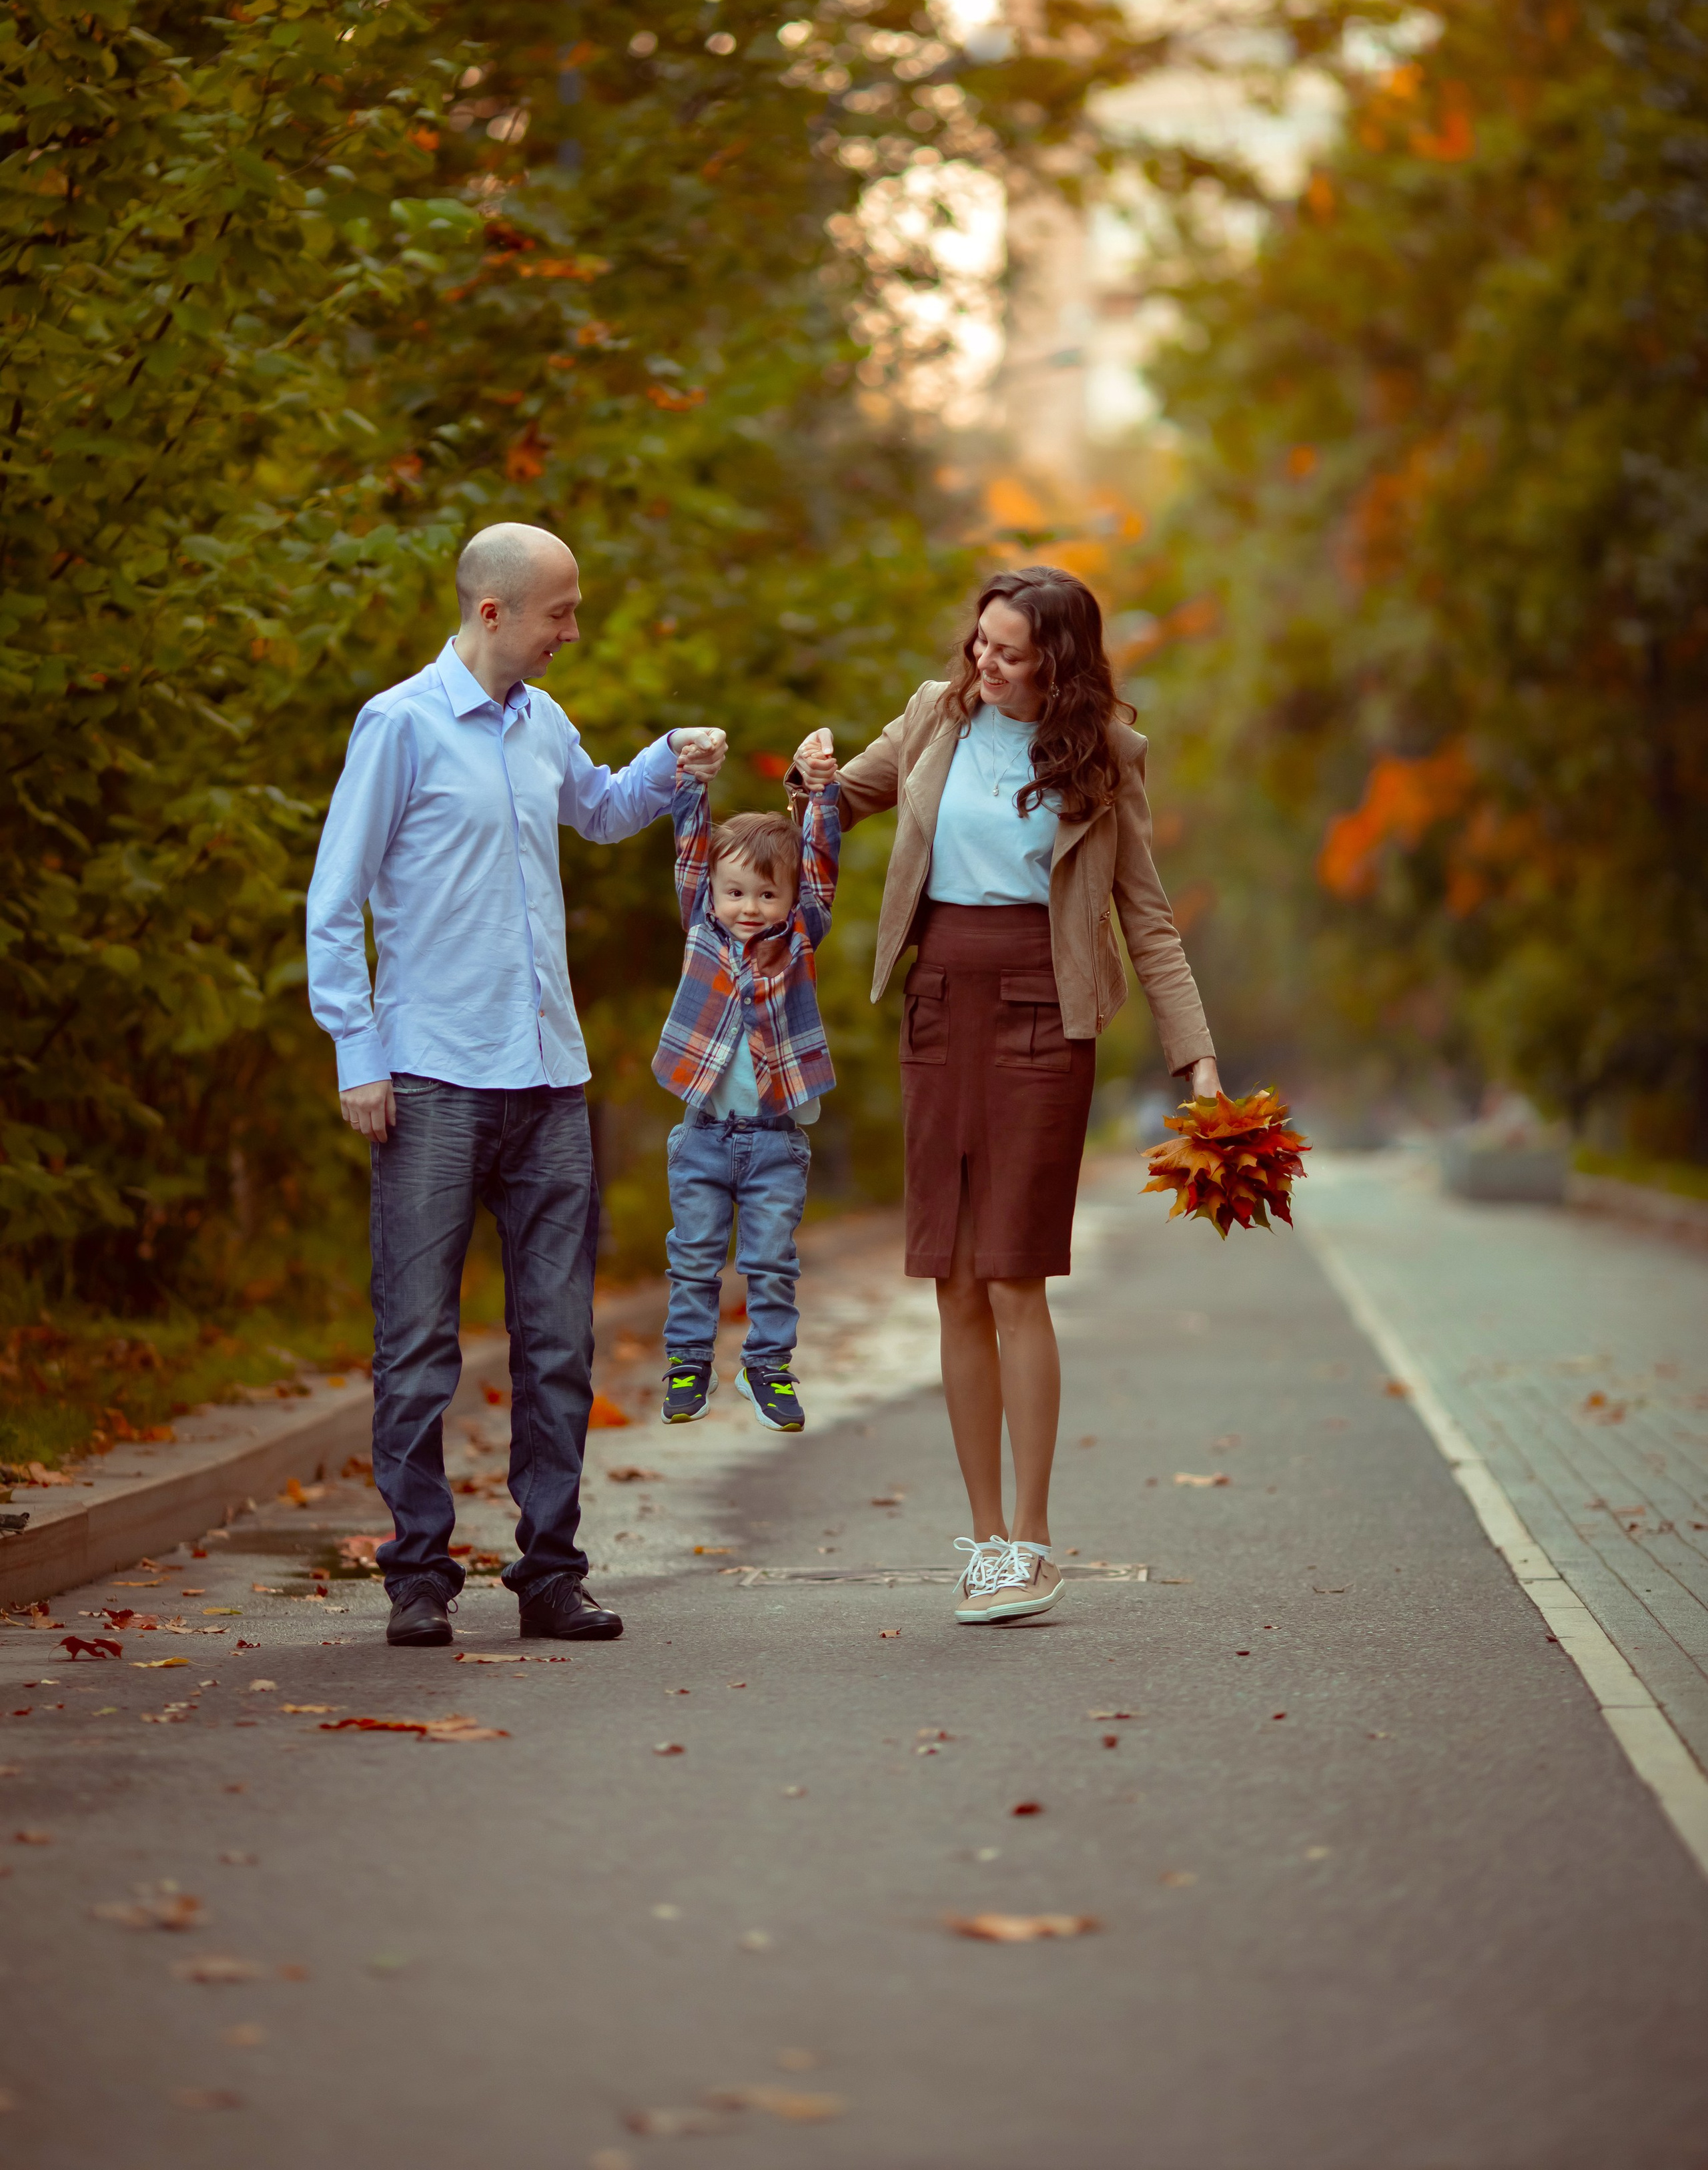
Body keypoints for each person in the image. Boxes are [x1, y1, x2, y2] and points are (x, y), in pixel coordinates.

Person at [305, 521, 727, 1649]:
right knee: (418, 1341)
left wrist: (670, 765)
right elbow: (332, 899)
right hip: (432, 1076)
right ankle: (417, 1576)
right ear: (492, 612)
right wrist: (358, 1053)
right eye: (560, 612)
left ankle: (550, 1573)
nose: (572, 631)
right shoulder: (399, 726)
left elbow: (595, 810)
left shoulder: (544, 725)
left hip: (549, 1078)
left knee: (558, 1344)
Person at [793, 565, 1217, 1628]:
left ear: (1059, 663)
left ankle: (1033, 1541)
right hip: (939, 1002)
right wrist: (806, 785)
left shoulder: (1110, 757)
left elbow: (1148, 919)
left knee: (1014, 1274)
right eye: (980, 643)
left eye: (1010, 652)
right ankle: (983, 1541)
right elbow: (837, 811)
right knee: (953, 1278)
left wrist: (1196, 1059)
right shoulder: (937, 715)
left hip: (1042, 1009)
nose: (984, 664)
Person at [650, 733, 841, 1433]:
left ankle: (767, 1367)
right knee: (695, 1257)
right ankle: (688, 1362)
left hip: (773, 1143)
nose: (749, 906)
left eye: (766, 893)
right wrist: (693, 780)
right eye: (736, 892)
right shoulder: (702, 926)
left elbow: (820, 865)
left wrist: (820, 790)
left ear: (790, 898)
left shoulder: (799, 937)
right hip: (701, 1137)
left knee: (770, 1261)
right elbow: (691, 849)